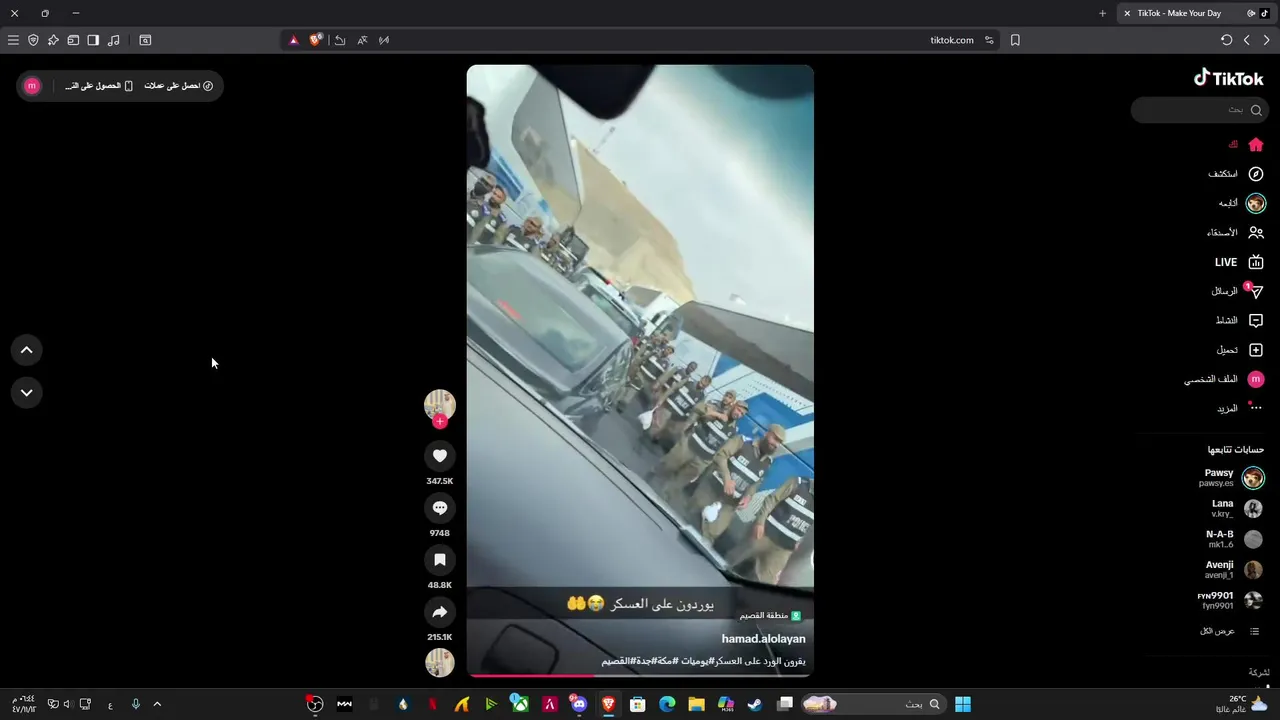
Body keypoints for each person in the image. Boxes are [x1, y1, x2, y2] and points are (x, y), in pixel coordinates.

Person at [689, 425, 787, 542]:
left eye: (779, 442)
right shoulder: (742, 442)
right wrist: (727, 479)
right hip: (711, 489)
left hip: (730, 504)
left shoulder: (768, 463)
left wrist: (748, 497)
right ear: (766, 434)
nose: (776, 444)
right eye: (775, 439)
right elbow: (721, 455)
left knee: (710, 535)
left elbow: (756, 482)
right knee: (692, 517)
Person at [723, 474, 813, 585]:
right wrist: (760, 522)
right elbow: (772, 499)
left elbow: (810, 525)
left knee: (767, 582)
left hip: (784, 549)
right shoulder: (798, 483)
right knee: (734, 559)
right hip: (764, 533)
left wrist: (800, 540)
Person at [654, 399, 747, 500]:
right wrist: (717, 414)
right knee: (668, 465)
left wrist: (705, 464)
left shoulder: (733, 430)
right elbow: (698, 408)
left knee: (681, 480)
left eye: (742, 414)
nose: (739, 414)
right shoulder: (717, 409)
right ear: (734, 405)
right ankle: (652, 476)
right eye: (738, 410)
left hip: (702, 460)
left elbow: (721, 449)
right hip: (689, 447)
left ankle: (664, 495)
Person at [648, 374, 711, 441]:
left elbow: (696, 410)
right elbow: (673, 389)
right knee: (659, 424)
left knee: (665, 429)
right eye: (701, 383)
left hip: (678, 416)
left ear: (706, 386)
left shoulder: (702, 396)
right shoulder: (688, 382)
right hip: (669, 407)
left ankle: (655, 437)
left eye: (704, 386)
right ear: (701, 379)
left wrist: (689, 422)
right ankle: (649, 435)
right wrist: (662, 399)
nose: (701, 386)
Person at [618, 344, 673, 412]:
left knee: (634, 388)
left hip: (649, 380)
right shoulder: (655, 353)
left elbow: (662, 375)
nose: (668, 352)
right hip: (641, 373)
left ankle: (622, 400)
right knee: (634, 387)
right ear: (665, 348)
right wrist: (636, 365)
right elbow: (645, 358)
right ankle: (623, 402)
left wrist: (657, 383)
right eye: (668, 350)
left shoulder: (666, 363)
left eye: (670, 352)